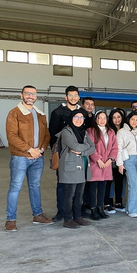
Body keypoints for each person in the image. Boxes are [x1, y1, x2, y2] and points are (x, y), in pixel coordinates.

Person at [4, 85, 52, 232]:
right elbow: (12, 136)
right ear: (22, 95)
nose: (30, 96)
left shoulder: (40, 115)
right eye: (27, 94)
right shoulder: (14, 113)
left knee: (35, 186)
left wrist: (42, 149)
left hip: (38, 157)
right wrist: (30, 150)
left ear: (36, 97)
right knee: (15, 187)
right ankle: (10, 220)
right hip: (21, 157)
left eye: (33, 94)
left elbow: (46, 135)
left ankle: (37, 215)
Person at [57, 109, 95, 229]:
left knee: (79, 194)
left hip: (82, 166)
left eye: (81, 117)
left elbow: (93, 147)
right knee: (70, 194)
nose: (79, 120)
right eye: (76, 117)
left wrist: (82, 151)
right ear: (71, 118)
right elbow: (75, 146)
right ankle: (67, 219)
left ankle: (77, 216)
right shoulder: (66, 132)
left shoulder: (84, 132)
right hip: (70, 166)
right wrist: (86, 147)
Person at [49, 85, 81, 221]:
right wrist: (58, 152)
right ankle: (61, 211)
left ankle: (77, 211)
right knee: (62, 183)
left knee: (79, 184)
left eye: (75, 95)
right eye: (70, 95)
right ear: (66, 97)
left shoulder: (82, 113)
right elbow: (52, 134)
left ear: (78, 97)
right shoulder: (57, 112)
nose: (73, 98)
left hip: (79, 155)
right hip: (64, 155)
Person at [86, 110, 118, 220]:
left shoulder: (111, 131)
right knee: (93, 188)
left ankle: (100, 208)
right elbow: (90, 147)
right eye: (100, 118)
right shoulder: (90, 131)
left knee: (103, 188)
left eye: (104, 118)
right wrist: (98, 160)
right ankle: (93, 209)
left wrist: (110, 160)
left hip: (107, 164)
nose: (102, 120)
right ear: (96, 119)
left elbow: (115, 147)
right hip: (96, 164)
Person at [116, 112, 137, 218]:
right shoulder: (122, 132)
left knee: (134, 184)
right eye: (132, 119)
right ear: (128, 119)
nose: (134, 122)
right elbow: (119, 148)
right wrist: (120, 164)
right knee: (133, 185)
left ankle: (129, 208)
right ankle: (133, 210)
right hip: (128, 160)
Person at [104, 108, 126, 213]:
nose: (117, 120)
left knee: (119, 181)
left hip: (121, 160)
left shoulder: (125, 129)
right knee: (108, 182)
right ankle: (107, 203)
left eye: (119, 117)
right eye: (114, 117)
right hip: (110, 160)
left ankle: (118, 202)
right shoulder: (108, 130)